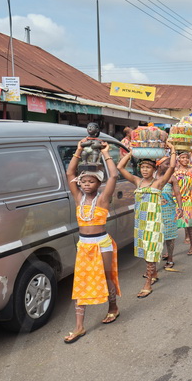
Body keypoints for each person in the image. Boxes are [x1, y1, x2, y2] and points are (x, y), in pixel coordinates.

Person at [64, 139, 120, 343]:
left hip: (101, 244)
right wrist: (78, 149)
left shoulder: (103, 199)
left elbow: (114, 175)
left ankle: (113, 306)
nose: (87, 185)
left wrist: (106, 153)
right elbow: (70, 173)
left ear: (98, 183)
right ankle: (79, 327)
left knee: (106, 277)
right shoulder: (78, 198)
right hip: (84, 245)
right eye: (84, 181)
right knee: (80, 283)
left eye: (91, 182)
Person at [117, 143, 177, 298]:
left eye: (148, 168)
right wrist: (131, 153)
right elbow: (120, 168)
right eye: (142, 167)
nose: (144, 170)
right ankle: (154, 273)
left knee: (151, 254)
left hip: (154, 224)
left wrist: (173, 150)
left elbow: (171, 168)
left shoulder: (158, 183)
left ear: (154, 170)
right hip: (141, 224)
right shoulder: (137, 181)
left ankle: (148, 283)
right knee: (145, 253)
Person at [157, 157, 183, 271]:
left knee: (170, 236)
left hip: (169, 210)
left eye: (169, 164)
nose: (169, 166)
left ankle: (170, 258)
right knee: (156, 236)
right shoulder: (151, 178)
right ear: (159, 164)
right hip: (155, 211)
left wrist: (180, 208)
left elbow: (177, 194)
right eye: (166, 164)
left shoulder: (172, 178)